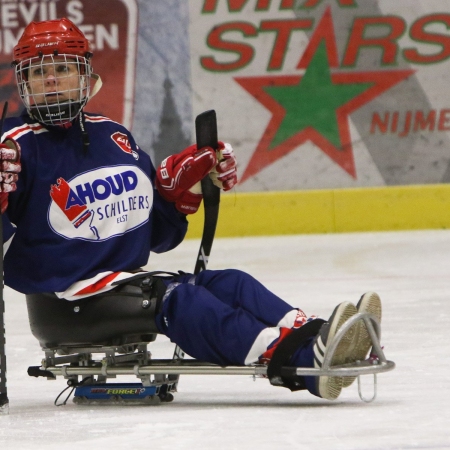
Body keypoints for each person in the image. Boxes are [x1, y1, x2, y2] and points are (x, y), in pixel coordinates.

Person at [0, 18, 382, 401]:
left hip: (121, 282)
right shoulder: (13, 146)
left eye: (62, 68)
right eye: (39, 71)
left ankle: (319, 336)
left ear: (85, 75)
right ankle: (299, 360)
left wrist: (176, 194)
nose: (51, 80)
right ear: (23, 80)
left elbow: (159, 238)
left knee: (231, 282)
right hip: (69, 298)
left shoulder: (114, 137)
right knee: (183, 301)